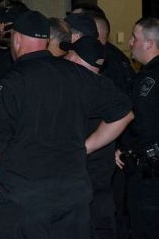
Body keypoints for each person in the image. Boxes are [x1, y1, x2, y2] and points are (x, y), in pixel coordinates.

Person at [0, 10, 133, 238]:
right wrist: (86, 146)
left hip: (25, 204)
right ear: (47, 41)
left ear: (17, 40)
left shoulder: (9, 85)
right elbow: (124, 113)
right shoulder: (77, 75)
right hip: (73, 202)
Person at [64, 36, 124, 239]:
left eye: (69, 54)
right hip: (99, 186)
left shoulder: (81, 87)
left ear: (74, 58)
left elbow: (125, 114)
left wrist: (85, 147)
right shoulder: (106, 86)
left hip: (81, 186)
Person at [117, 17, 159, 238]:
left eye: (135, 37)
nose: (130, 43)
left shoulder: (147, 81)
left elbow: (140, 123)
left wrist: (124, 148)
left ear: (149, 44)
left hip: (148, 174)